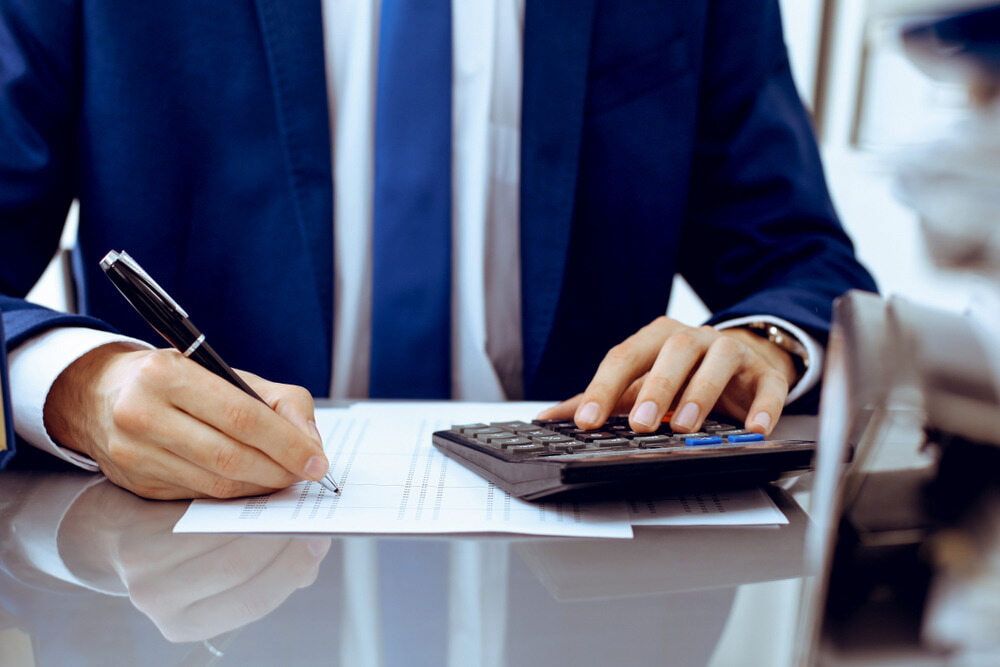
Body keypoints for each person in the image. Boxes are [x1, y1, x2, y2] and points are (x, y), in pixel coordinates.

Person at [0, 0, 877, 499]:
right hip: (180, 571)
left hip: (596, 576)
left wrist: (765, 341)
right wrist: (79, 390)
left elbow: (805, 267)